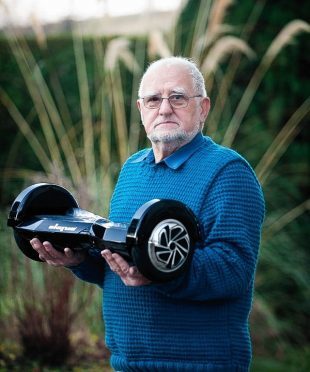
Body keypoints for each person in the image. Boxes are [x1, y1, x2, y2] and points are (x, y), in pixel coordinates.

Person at [30, 56, 265, 371]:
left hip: (200, 364)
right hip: (127, 363)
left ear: (204, 108)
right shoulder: (132, 171)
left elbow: (233, 270)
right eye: (154, 100)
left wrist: (155, 271)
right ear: (141, 110)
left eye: (178, 98)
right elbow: (123, 265)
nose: (165, 108)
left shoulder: (228, 172)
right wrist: (80, 260)